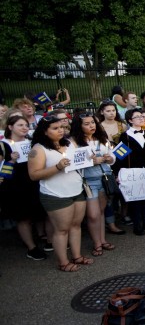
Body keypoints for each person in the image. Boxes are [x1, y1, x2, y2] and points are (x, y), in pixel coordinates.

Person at [28, 116, 90, 272]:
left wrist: (89, 159)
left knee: (76, 226)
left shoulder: (68, 143)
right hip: (56, 194)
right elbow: (34, 175)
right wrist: (57, 167)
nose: (60, 130)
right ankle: (63, 262)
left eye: (61, 127)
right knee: (61, 230)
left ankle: (77, 256)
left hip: (76, 189)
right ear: (44, 131)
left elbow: (79, 162)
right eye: (55, 128)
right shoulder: (38, 149)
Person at [0, 116, 49, 260]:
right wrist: (11, 161)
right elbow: (3, 174)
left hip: (34, 182)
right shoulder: (4, 145)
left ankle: (42, 236)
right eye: (20, 125)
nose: (24, 128)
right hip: (16, 186)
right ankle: (31, 247)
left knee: (39, 212)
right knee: (23, 217)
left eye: (26, 125)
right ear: (10, 127)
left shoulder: (32, 143)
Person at [70, 112, 117, 257]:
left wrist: (109, 158)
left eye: (93, 123)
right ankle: (96, 243)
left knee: (101, 212)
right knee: (93, 215)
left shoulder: (102, 138)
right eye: (87, 123)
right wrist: (91, 161)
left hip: (104, 178)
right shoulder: (73, 142)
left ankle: (102, 240)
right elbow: (72, 162)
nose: (92, 126)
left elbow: (112, 156)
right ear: (79, 126)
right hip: (88, 181)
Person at [112, 108, 145, 236]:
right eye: (137, 117)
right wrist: (118, 173)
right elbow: (120, 155)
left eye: (142, 116)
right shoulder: (125, 136)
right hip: (132, 171)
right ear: (130, 120)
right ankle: (137, 224)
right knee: (135, 199)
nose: (141, 118)